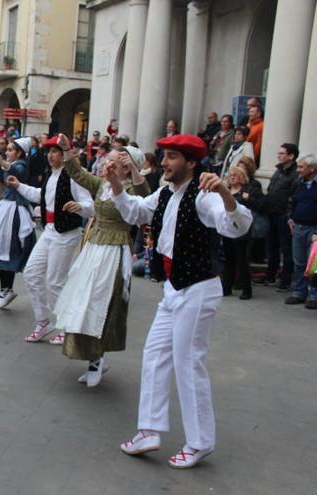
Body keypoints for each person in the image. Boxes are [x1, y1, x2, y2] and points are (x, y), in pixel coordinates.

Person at [109, 134, 252, 469]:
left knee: (189, 363)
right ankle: (150, 430)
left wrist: (224, 192)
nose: (166, 162)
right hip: (175, 288)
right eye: (165, 156)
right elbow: (135, 211)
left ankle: (200, 442)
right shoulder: (164, 193)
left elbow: (237, 226)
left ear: (191, 163)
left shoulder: (204, 197)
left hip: (199, 288)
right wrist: (116, 182)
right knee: (155, 354)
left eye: (173, 157)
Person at [52, 140, 151, 383]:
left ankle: (98, 359)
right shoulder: (101, 185)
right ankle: (93, 357)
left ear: (127, 168)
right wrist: (66, 149)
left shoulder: (129, 188)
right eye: (107, 160)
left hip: (115, 250)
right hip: (94, 246)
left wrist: (136, 172)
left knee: (104, 304)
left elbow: (145, 199)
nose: (106, 165)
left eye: (113, 162)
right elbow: (76, 172)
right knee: (84, 300)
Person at [6, 136, 94, 343]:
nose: (50, 155)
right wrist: (19, 186)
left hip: (66, 233)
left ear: (65, 154)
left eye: (55, 151)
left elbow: (89, 203)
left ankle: (65, 325)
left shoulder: (73, 176)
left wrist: (81, 207)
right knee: (31, 274)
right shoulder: (52, 175)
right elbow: (41, 196)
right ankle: (44, 321)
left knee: (55, 281)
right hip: (50, 231)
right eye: (49, 152)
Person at [0, 137, 37, 309]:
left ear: (20, 152)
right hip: (6, 210)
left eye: (11, 149)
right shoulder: (11, 163)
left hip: (15, 212)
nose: (7, 151)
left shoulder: (22, 165)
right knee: (0, 248)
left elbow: (16, 171)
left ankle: (7, 289)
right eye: (8, 149)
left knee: (9, 249)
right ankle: (5, 289)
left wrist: (3, 163)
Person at [285, 154, 317, 307]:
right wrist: (290, 217)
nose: (298, 170)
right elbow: (291, 201)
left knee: (314, 262)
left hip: (316, 228)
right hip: (298, 226)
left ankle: (315, 295)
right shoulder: (298, 182)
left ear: (312, 168)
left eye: (301, 167)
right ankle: (298, 292)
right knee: (299, 262)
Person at [258, 143, 299, 290]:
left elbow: (293, 196)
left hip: (283, 214)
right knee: (272, 246)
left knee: (286, 248)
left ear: (291, 156)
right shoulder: (278, 171)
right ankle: (270, 274)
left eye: (282, 153)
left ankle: (285, 279)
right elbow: (271, 190)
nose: (279, 155)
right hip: (272, 212)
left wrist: (289, 214)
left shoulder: (295, 173)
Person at [221, 165, 262, 300]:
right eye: (231, 175)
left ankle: (246, 289)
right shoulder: (225, 192)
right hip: (227, 230)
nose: (232, 178)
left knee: (242, 261)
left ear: (242, 178)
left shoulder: (246, 192)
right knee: (228, 260)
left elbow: (255, 207)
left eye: (236, 175)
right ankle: (227, 287)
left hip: (241, 231)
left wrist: (248, 198)